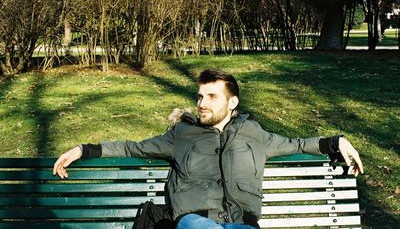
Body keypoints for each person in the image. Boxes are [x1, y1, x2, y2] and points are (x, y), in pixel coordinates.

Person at [53, 69, 363, 229]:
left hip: (241, 223)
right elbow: (133, 147)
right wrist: (84, 149)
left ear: (232, 103)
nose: (202, 103)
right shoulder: (182, 135)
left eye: (211, 97)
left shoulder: (253, 133)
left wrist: (338, 142)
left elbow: (297, 144)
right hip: (195, 222)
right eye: (200, 96)